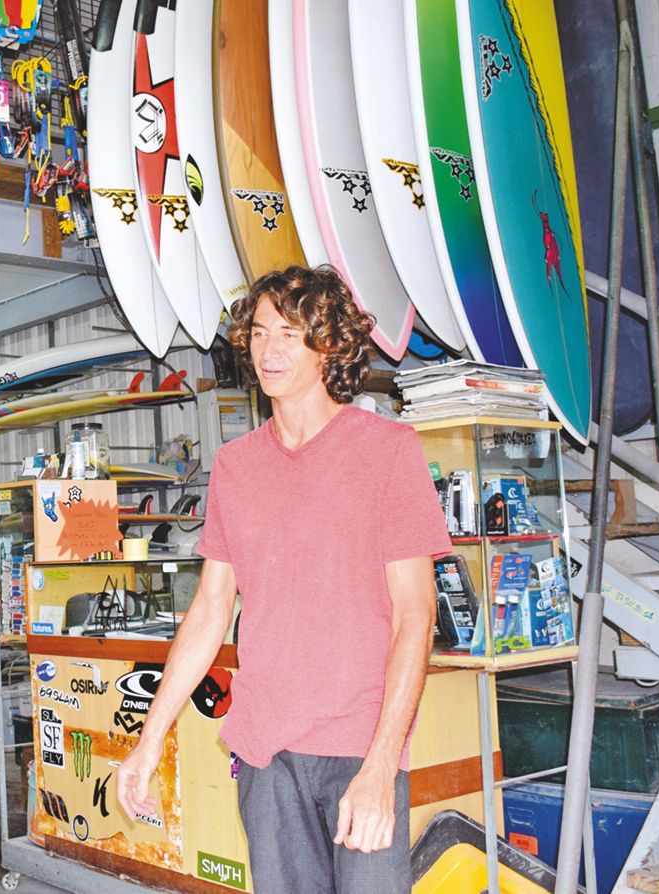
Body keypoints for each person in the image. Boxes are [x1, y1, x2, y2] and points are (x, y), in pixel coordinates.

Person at [115, 266, 451, 893]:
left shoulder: (388, 451)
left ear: (329, 344)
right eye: (260, 332)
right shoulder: (235, 466)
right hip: (267, 753)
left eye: (290, 334)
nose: (268, 350)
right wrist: (150, 736)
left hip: (360, 746)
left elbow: (416, 617)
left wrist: (383, 764)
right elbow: (211, 611)